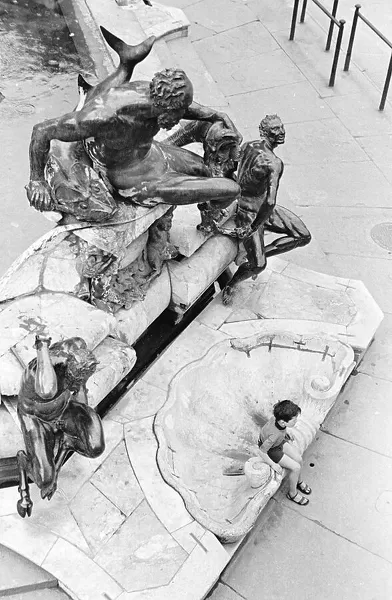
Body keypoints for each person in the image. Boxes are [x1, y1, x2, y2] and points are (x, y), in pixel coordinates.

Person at [26, 29, 241, 213]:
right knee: (230, 189)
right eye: (180, 112)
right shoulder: (104, 118)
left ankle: (208, 212)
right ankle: (208, 213)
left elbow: (188, 108)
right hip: (135, 181)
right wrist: (37, 181)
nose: (182, 117)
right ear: (167, 109)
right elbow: (41, 131)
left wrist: (217, 115)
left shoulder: (151, 93)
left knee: (209, 173)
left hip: (152, 155)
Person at [217, 114, 311, 305]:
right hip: (250, 213)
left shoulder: (249, 145)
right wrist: (253, 227)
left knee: (303, 235)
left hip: (259, 208)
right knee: (259, 265)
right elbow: (270, 201)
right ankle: (232, 284)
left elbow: (232, 167)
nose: (281, 132)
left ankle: (252, 255)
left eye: (281, 127)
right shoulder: (274, 164)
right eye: (275, 129)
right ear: (264, 132)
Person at [258, 400, 312, 505]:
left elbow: (278, 430)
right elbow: (261, 451)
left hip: (279, 441)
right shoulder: (274, 435)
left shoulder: (276, 419)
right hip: (272, 450)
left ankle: (298, 481)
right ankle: (292, 494)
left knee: (299, 459)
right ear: (283, 422)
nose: (296, 421)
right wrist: (273, 464)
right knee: (296, 467)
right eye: (294, 420)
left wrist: (286, 433)